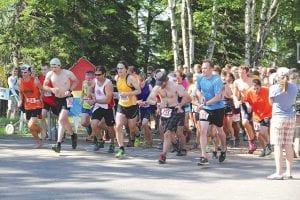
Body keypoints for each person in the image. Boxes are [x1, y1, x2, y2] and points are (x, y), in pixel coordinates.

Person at [147, 71, 191, 164]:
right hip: (164, 111)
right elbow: (149, 99)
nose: (160, 85)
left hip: (175, 110)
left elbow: (187, 97)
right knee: (167, 133)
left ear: (166, 81)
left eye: (161, 83)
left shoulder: (175, 86)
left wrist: (180, 104)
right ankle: (175, 144)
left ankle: (163, 155)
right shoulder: (158, 86)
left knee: (167, 133)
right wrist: (157, 103)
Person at [267, 67, 297, 180]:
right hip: (290, 117)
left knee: (278, 145)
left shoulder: (274, 88)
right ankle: (288, 172)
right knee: (288, 145)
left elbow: (271, 103)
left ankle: (278, 173)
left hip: (278, 118)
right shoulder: (294, 87)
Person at [43, 58, 79, 153]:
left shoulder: (67, 73)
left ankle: (58, 144)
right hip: (58, 99)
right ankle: (72, 134)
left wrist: (70, 90)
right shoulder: (50, 74)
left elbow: (76, 81)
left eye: (55, 66)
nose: (53, 68)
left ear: (59, 65)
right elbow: (44, 86)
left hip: (68, 98)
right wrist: (51, 89)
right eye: (51, 66)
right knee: (64, 120)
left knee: (61, 119)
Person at [195, 60, 227, 165]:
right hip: (206, 109)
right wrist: (201, 96)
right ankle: (203, 156)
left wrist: (205, 103)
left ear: (211, 69)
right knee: (203, 131)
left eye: (205, 68)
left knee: (219, 132)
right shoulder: (200, 78)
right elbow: (197, 90)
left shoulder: (217, 80)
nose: (203, 70)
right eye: (202, 68)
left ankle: (223, 148)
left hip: (217, 108)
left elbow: (218, 97)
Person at [114, 60, 141, 158]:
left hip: (132, 106)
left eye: (121, 68)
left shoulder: (131, 79)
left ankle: (137, 134)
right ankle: (121, 148)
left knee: (131, 128)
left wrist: (128, 94)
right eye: (118, 68)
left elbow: (138, 91)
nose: (119, 70)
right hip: (121, 105)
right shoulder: (116, 78)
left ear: (126, 70)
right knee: (118, 126)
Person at [89, 66, 116, 153]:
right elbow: (90, 87)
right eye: (95, 74)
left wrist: (95, 100)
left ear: (104, 74)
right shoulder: (95, 81)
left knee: (110, 127)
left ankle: (112, 143)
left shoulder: (108, 84)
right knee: (93, 124)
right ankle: (100, 141)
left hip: (108, 107)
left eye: (99, 75)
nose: (97, 76)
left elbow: (108, 100)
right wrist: (91, 95)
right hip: (98, 106)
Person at [18, 64, 45, 148]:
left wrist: (40, 98)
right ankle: (39, 141)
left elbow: (42, 90)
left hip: (37, 106)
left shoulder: (35, 81)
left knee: (30, 125)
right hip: (27, 106)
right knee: (31, 128)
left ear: (29, 72)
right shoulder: (20, 81)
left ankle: (41, 129)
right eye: (22, 72)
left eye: (25, 72)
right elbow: (20, 93)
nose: (23, 74)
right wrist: (20, 100)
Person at [244, 79, 272, 157]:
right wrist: (248, 106)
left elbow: (274, 95)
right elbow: (246, 100)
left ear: (260, 86)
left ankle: (269, 145)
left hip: (267, 113)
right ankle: (264, 149)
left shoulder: (267, 90)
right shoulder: (249, 91)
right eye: (254, 88)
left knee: (262, 132)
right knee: (258, 135)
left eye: (257, 88)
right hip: (256, 115)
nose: (256, 90)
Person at [233, 65, 256, 153]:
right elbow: (235, 94)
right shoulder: (237, 82)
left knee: (257, 126)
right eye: (239, 72)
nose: (240, 74)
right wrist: (236, 101)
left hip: (254, 104)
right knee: (245, 122)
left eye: (242, 72)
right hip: (244, 105)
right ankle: (251, 142)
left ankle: (264, 143)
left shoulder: (252, 81)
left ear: (247, 72)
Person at [38, 64, 58, 139]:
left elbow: (57, 89)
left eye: (45, 69)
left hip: (54, 100)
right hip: (45, 100)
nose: (43, 71)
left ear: (49, 70)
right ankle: (44, 133)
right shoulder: (40, 78)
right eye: (42, 69)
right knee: (41, 115)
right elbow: (40, 90)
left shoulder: (54, 78)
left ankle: (60, 132)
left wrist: (50, 89)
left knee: (58, 116)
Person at [80, 71, 95, 140]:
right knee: (83, 122)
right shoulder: (84, 82)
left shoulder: (96, 83)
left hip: (94, 103)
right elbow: (82, 92)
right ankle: (91, 129)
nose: (88, 80)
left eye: (89, 78)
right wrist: (81, 99)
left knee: (94, 121)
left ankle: (93, 136)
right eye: (86, 77)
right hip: (85, 103)